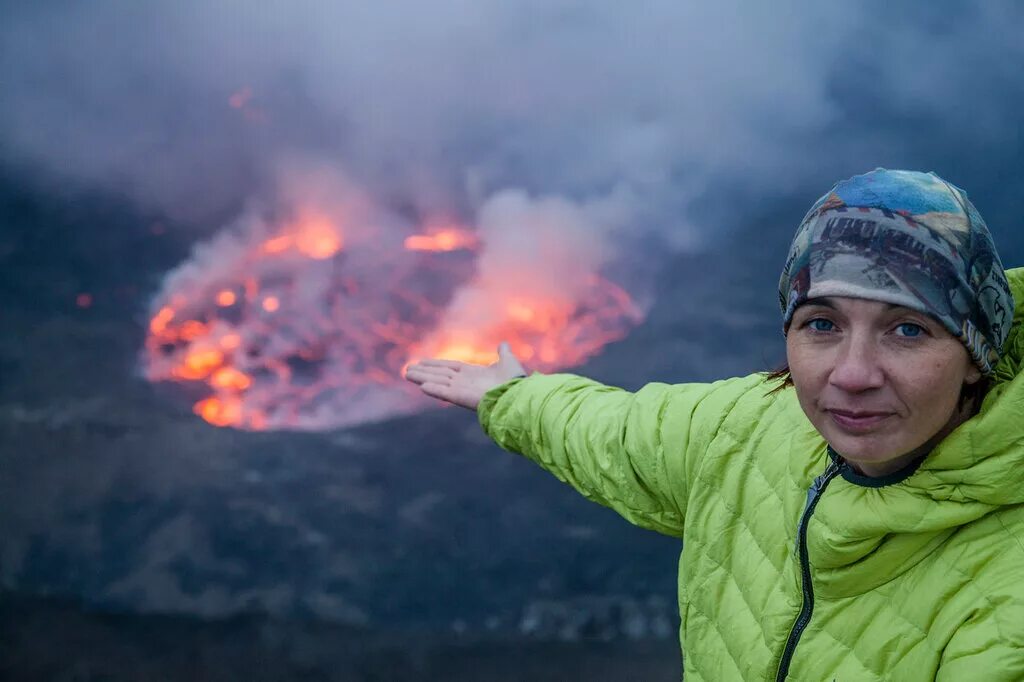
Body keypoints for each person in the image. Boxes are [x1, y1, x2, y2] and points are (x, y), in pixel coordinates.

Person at [404, 169, 1024, 680]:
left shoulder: (1004, 605)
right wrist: (514, 398)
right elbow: (614, 430)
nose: (853, 373)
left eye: (908, 329)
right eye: (822, 324)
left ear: (975, 357)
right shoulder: (746, 428)